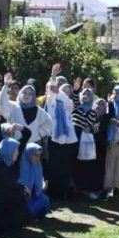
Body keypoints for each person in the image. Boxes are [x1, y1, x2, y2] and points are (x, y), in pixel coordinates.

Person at [43, 72, 78, 201]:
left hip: (68, 140)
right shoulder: (51, 102)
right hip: (54, 138)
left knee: (65, 167)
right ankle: (53, 193)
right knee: (54, 167)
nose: (64, 91)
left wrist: (60, 92)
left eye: (67, 89)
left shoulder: (67, 103)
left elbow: (69, 102)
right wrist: (52, 75)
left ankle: (64, 193)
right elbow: (52, 93)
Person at [73, 88, 105, 200]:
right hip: (75, 141)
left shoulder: (93, 112)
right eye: (83, 94)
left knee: (87, 167)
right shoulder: (77, 109)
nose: (85, 96)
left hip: (87, 145)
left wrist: (90, 129)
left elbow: (97, 128)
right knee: (75, 166)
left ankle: (87, 190)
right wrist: (76, 90)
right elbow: (75, 101)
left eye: (88, 94)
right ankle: (75, 190)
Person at [19, 143, 51, 219]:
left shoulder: (37, 165)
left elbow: (38, 186)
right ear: (28, 154)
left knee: (45, 200)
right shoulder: (20, 166)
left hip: (32, 196)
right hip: (21, 199)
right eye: (35, 155)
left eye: (39, 155)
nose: (38, 158)